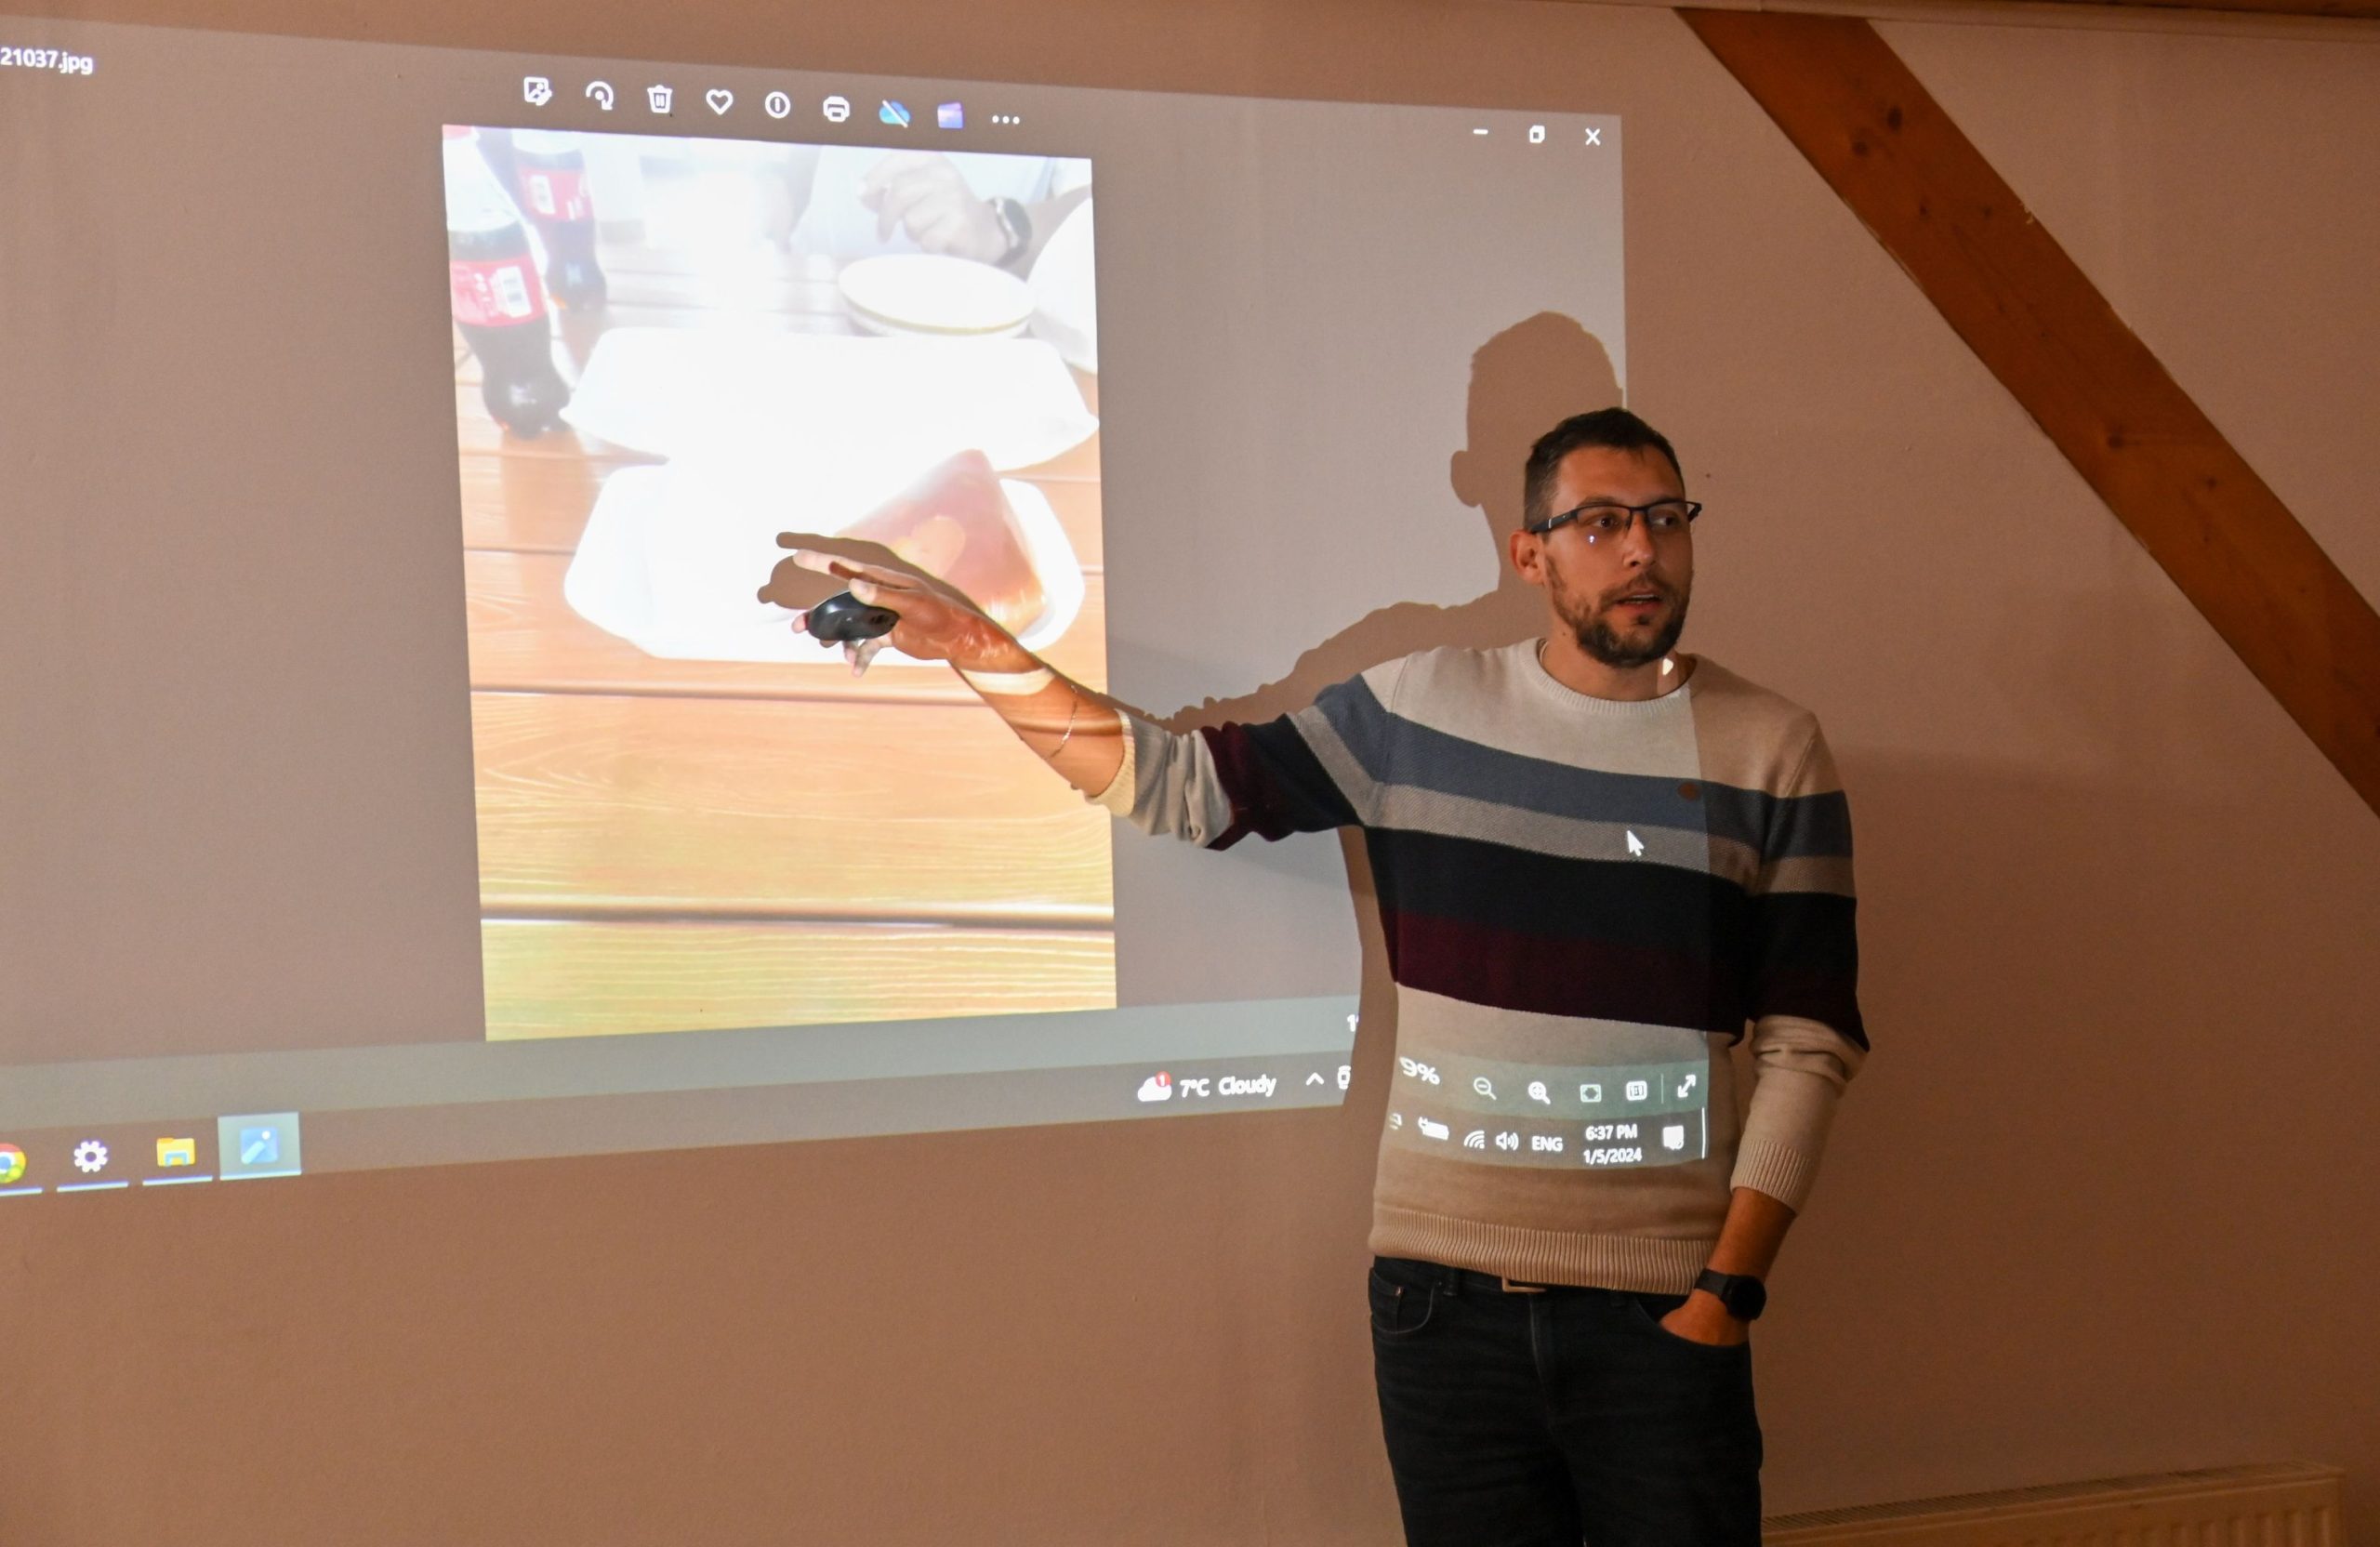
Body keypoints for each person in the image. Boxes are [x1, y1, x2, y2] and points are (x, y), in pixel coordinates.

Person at [780, 406, 1867, 1546]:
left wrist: (1725, 1291)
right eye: (1599, 522)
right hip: (1440, 1307)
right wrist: (986, 653)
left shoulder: (1770, 746)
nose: (1641, 549)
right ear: (1529, 552)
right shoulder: (1419, 707)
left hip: (1665, 1310)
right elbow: (1185, 789)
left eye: (1663, 518)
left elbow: (1808, 1039)